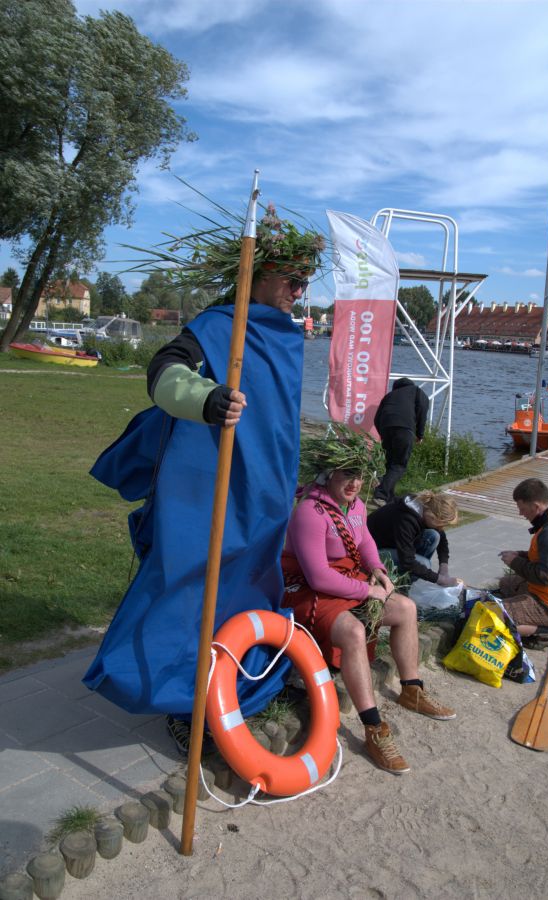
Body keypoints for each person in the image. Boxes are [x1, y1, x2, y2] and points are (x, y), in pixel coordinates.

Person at [82, 203, 326, 756]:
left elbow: (278, 417)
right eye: (291, 279)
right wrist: (205, 398)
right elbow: (164, 372)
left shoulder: (287, 337)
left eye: (305, 282)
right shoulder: (220, 326)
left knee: (247, 592)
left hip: (267, 491)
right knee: (194, 592)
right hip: (216, 492)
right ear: (257, 273)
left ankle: (238, 687)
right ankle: (182, 705)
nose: (298, 290)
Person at [282, 428, 456, 776]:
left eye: (359, 475)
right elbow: (317, 576)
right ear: (329, 472)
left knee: (406, 608)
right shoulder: (310, 512)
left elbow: (363, 542)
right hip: (308, 590)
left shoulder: (356, 504)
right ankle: (373, 726)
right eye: (347, 474)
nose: (354, 483)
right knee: (354, 632)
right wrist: (368, 591)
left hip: (346, 580)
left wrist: (377, 569)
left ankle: (411, 689)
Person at [498, 478, 548, 647]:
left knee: (495, 616)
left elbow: (546, 577)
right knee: (506, 584)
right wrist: (520, 555)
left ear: (536, 506)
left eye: (522, 508)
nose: (521, 513)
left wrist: (515, 562)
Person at [367, 491, 460, 586]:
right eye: (441, 525)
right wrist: (441, 580)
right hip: (372, 552)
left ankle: (409, 578)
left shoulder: (425, 507)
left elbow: (442, 540)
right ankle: (403, 585)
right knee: (425, 563)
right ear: (432, 516)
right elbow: (407, 561)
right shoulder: (406, 520)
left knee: (434, 535)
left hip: (391, 544)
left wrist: (444, 566)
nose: (441, 528)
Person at [372, 377, 429, 506]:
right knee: (399, 465)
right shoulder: (417, 392)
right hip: (405, 430)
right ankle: (380, 494)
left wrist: (383, 433)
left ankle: (389, 497)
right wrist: (420, 434)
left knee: (390, 464)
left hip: (386, 430)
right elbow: (422, 412)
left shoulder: (389, 396)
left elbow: (377, 418)